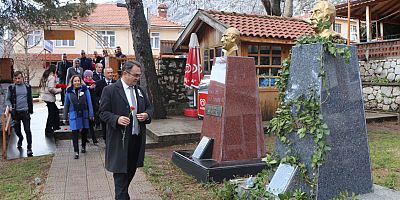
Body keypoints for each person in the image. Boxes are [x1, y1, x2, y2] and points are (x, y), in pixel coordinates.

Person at [99, 61, 153, 199]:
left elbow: (150, 108)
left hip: (136, 140)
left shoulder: (139, 90)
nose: (137, 78)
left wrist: (146, 115)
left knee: (129, 173)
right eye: (135, 75)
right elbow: (103, 113)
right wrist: (116, 119)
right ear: (125, 73)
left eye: (139, 75)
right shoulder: (110, 90)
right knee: (120, 177)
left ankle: (123, 195)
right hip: (120, 142)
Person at [64, 75, 94, 159]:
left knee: (84, 132)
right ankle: (76, 151)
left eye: (78, 81)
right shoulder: (69, 91)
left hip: (84, 113)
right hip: (74, 114)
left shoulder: (85, 90)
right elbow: (66, 104)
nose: (77, 82)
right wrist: (65, 116)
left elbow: (89, 102)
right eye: (75, 81)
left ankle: (83, 146)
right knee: (74, 133)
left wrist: (91, 114)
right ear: (72, 82)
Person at [6, 71, 34, 157]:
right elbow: (7, 99)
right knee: (17, 130)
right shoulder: (11, 87)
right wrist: (10, 106)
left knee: (27, 130)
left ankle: (29, 148)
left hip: (25, 112)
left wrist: (30, 109)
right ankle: (20, 138)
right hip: (15, 113)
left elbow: (30, 98)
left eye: (19, 78)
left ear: (23, 78)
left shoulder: (28, 87)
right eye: (16, 78)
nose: (17, 80)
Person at [40, 65, 62, 137]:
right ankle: (49, 129)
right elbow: (51, 89)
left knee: (53, 112)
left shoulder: (45, 76)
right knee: (53, 113)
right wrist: (60, 90)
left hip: (45, 96)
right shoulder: (51, 77)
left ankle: (54, 126)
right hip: (49, 97)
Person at [95, 67, 115, 141]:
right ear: (104, 74)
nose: (110, 74)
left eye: (111, 73)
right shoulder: (99, 83)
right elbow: (95, 95)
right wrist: (99, 100)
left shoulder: (116, 83)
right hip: (103, 108)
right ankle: (106, 139)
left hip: (113, 108)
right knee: (104, 125)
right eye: (108, 73)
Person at [83, 70, 98, 145]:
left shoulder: (94, 83)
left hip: (93, 105)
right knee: (88, 123)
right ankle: (92, 139)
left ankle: (91, 138)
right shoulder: (84, 84)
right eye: (88, 76)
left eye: (91, 76)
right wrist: (89, 87)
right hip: (86, 105)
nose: (90, 77)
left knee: (91, 123)